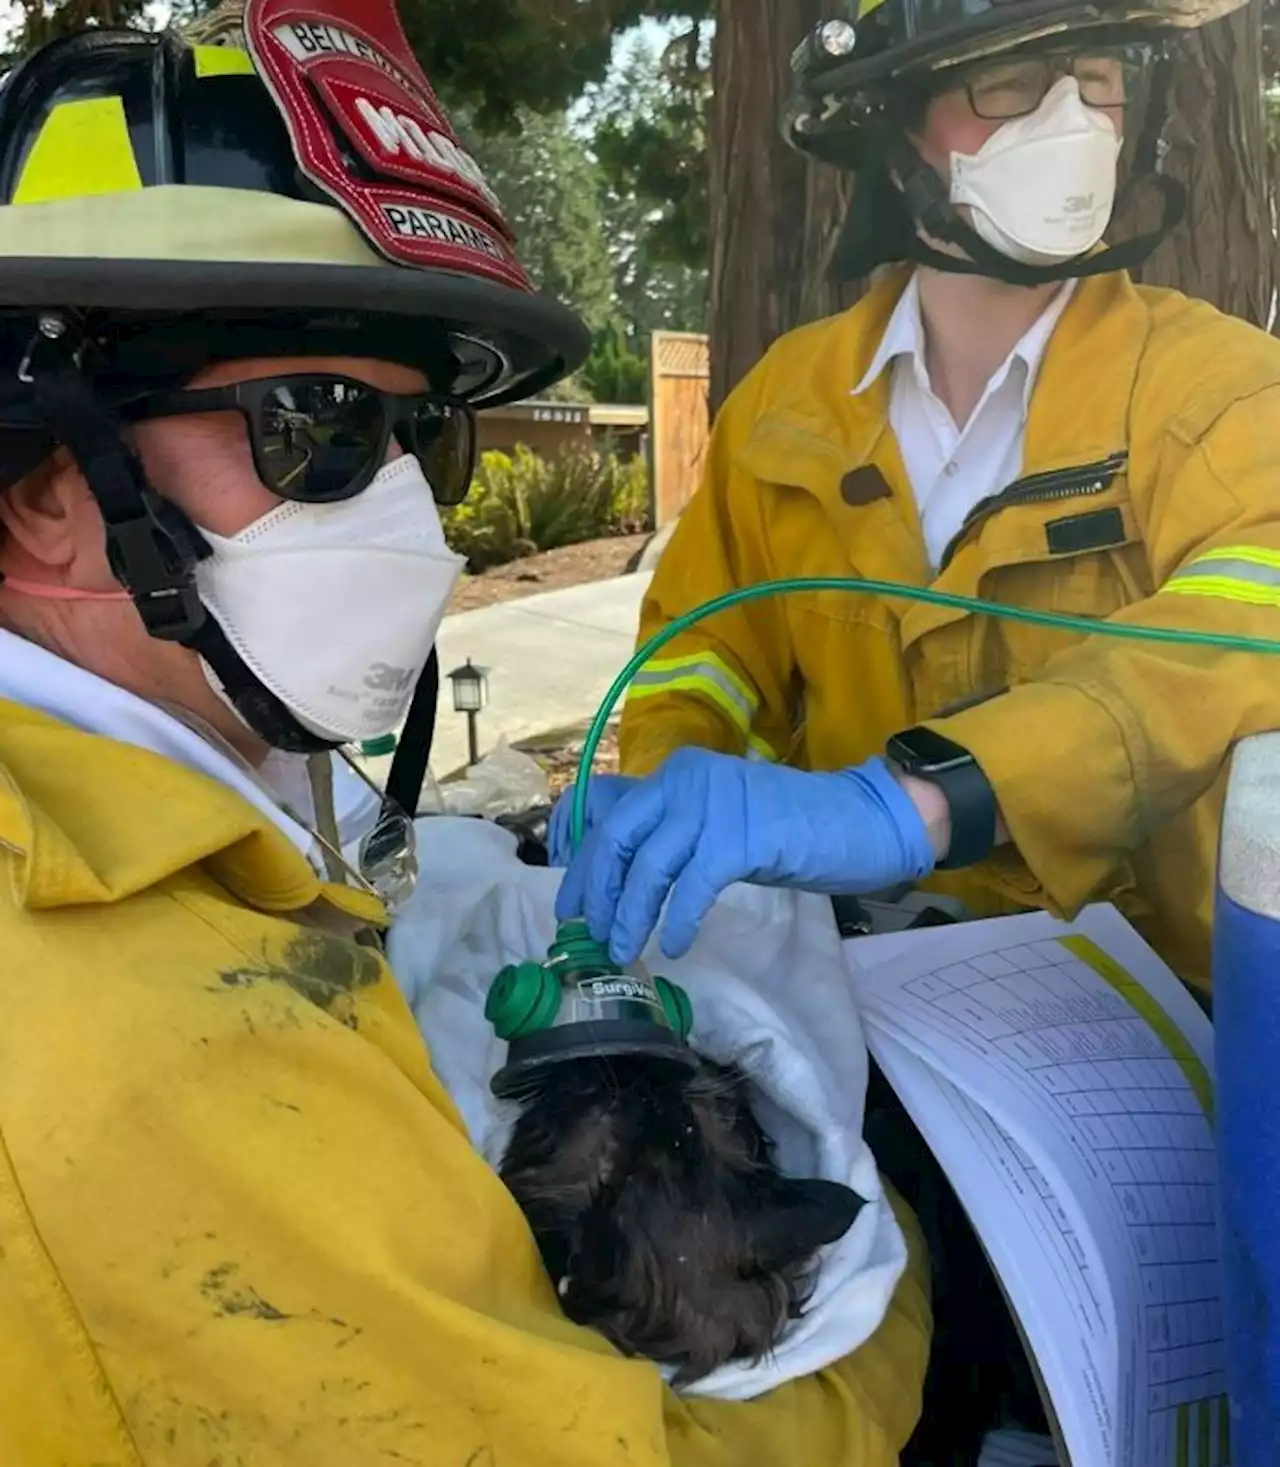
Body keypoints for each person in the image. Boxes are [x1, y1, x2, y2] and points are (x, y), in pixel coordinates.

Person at [0, 5, 930, 1464]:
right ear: (43, 486)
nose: (412, 519)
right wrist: (890, 1291)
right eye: (315, 425)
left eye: (425, 438)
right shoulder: (141, 1044)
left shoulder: (179, 816)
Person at [554, 0, 1280, 991]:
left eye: (1096, 78)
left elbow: (1231, 649)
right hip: (859, 991)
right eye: (1010, 84)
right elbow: (704, 652)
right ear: (896, 122)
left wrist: (915, 803)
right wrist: (666, 786)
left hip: (1180, 1010)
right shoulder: (784, 405)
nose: (1071, 123)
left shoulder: (1225, 392)